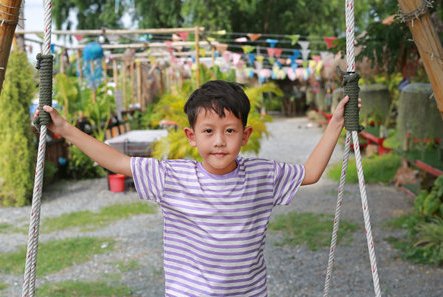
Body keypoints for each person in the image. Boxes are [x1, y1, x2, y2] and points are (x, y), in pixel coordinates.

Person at [37, 80, 355, 296]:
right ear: (192, 137)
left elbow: (311, 173)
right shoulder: (173, 177)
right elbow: (120, 163)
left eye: (230, 130)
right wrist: (65, 129)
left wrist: (336, 124)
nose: (219, 140)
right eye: (209, 131)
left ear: (245, 135)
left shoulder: (263, 175)